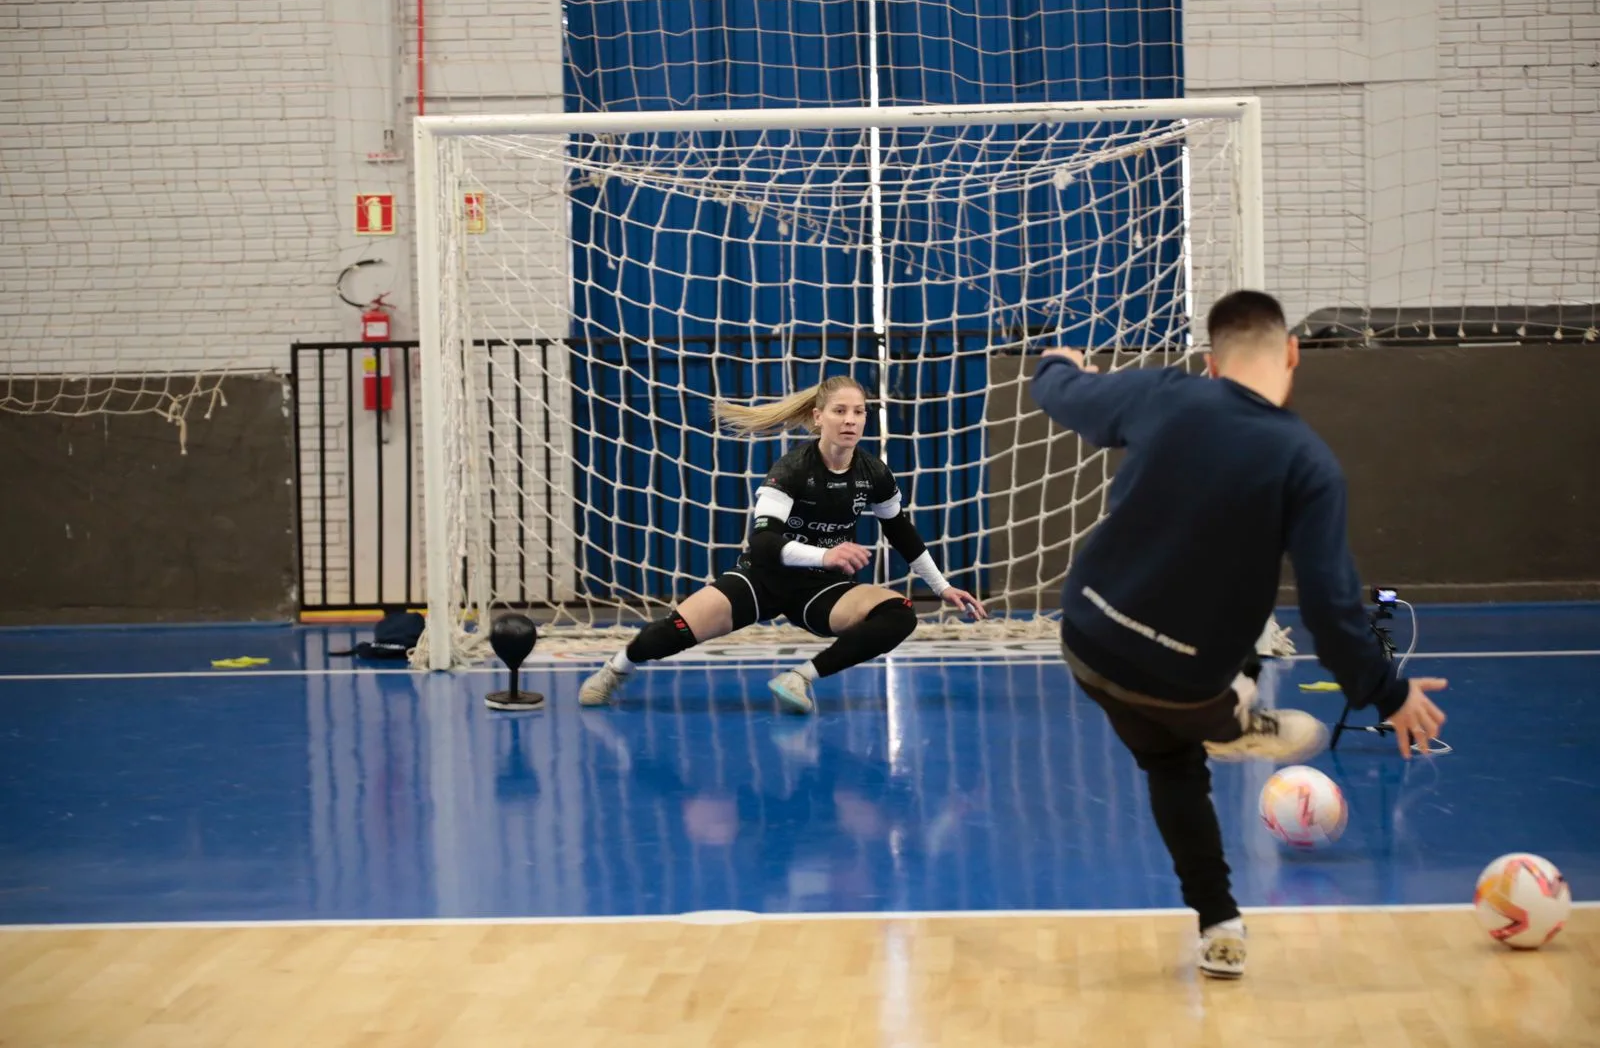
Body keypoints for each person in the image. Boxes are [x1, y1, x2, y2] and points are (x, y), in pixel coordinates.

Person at [1030, 289, 1448, 979]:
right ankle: (1233, 724)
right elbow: (1331, 612)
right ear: (1292, 353)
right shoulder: (1307, 463)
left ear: (1210, 363)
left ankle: (1221, 919)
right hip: (1182, 684)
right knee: (1189, 732)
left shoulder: (1167, 393)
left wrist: (1053, 365)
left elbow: (1067, 394)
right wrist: (1388, 692)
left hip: (1086, 637)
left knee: (1168, 759)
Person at [577, 375, 986, 714]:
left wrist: (942, 587)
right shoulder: (791, 469)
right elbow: (765, 542)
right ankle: (617, 668)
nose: (850, 420)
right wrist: (826, 554)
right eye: (840, 411)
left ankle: (799, 678)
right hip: (762, 579)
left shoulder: (872, 472)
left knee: (899, 614)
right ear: (818, 417)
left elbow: (899, 530)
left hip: (820, 589)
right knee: (671, 634)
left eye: (859, 412)